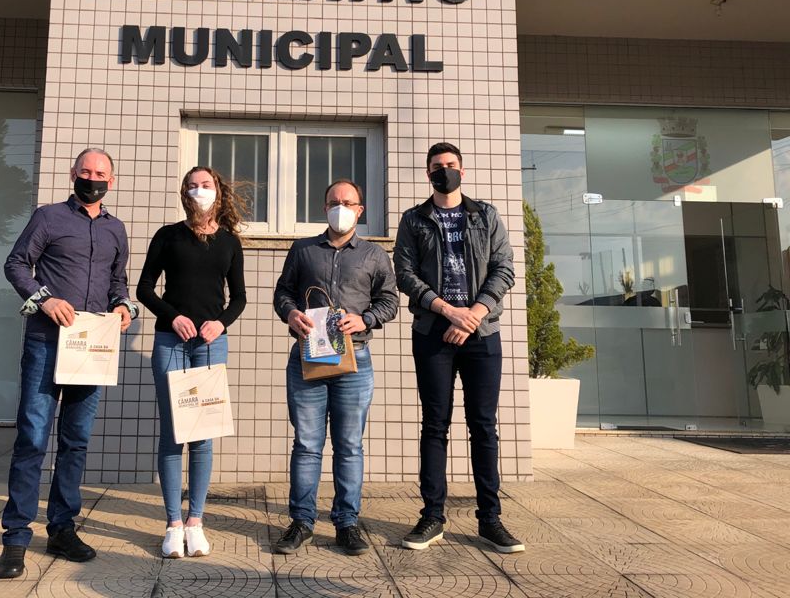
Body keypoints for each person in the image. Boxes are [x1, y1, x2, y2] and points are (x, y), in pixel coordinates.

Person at [0, 148, 137, 579]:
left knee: (75, 442)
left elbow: (119, 281)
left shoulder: (116, 229)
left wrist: (123, 306)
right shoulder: (48, 217)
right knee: (33, 439)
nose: (92, 178)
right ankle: (16, 538)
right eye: (86, 171)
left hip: (91, 349)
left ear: (111, 181)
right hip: (46, 341)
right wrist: (45, 299)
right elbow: (16, 263)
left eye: (100, 173)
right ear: (73, 174)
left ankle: (61, 528)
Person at [393, 142, 524, 554]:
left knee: (483, 426)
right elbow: (405, 274)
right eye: (436, 167)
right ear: (427, 173)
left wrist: (474, 314)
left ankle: (490, 519)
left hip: (481, 335)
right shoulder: (414, 219)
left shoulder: (486, 215)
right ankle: (432, 516)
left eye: (450, 166)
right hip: (434, 332)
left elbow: (505, 268)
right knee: (435, 425)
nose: (443, 172)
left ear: (462, 172)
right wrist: (450, 312)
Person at [273, 179, 398, 557]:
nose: (339, 207)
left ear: (360, 209)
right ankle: (301, 521)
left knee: (348, 446)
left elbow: (390, 301)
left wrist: (366, 319)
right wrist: (291, 312)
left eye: (347, 202)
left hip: (354, 360)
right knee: (307, 444)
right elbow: (282, 293)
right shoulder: (303, 250)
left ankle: (347, 523)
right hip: (308, 357)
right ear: (323, 207)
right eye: (333, 202)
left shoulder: (375, 256)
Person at [136, 166, 247, 559]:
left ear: (218, 191)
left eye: (206, 185)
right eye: (192, 186)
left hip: (210, 344)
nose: (199, 191)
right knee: (173, 433)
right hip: (171, 341)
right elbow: (144, 288)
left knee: (202, 436)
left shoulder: (230, 242)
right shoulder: (168, 236)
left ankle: (196, 521)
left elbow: (239, 298)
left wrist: (220, 323)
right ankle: (172, 524)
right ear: (184, 193)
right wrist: (173, 316)